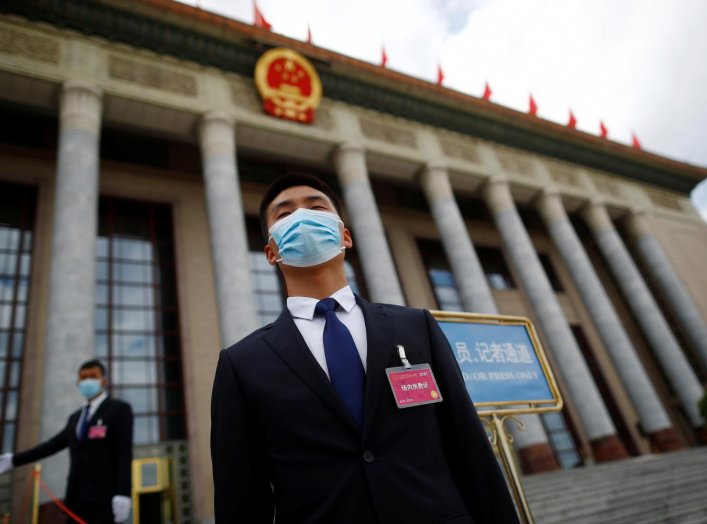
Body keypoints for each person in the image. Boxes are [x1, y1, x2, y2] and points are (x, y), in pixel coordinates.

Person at [211, 173, 519, 524]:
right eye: (284, 215)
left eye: (316, 207)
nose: (302, 217)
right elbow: (241, 494)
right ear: (270, 252)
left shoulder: (416, 327)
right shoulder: (242, 363)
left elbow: (469, 447)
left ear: (345, 236)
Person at [0, 359, 133, 523]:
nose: (87, 381)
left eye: (93, 376)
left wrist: (123, 493)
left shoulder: (119, 409)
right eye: (83, 378)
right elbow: (52, 445)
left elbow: (124, 453)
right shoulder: (75, 417)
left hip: (104, 499)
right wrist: (14, 460)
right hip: (75, 500)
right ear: (78, 382)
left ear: (103, 380)